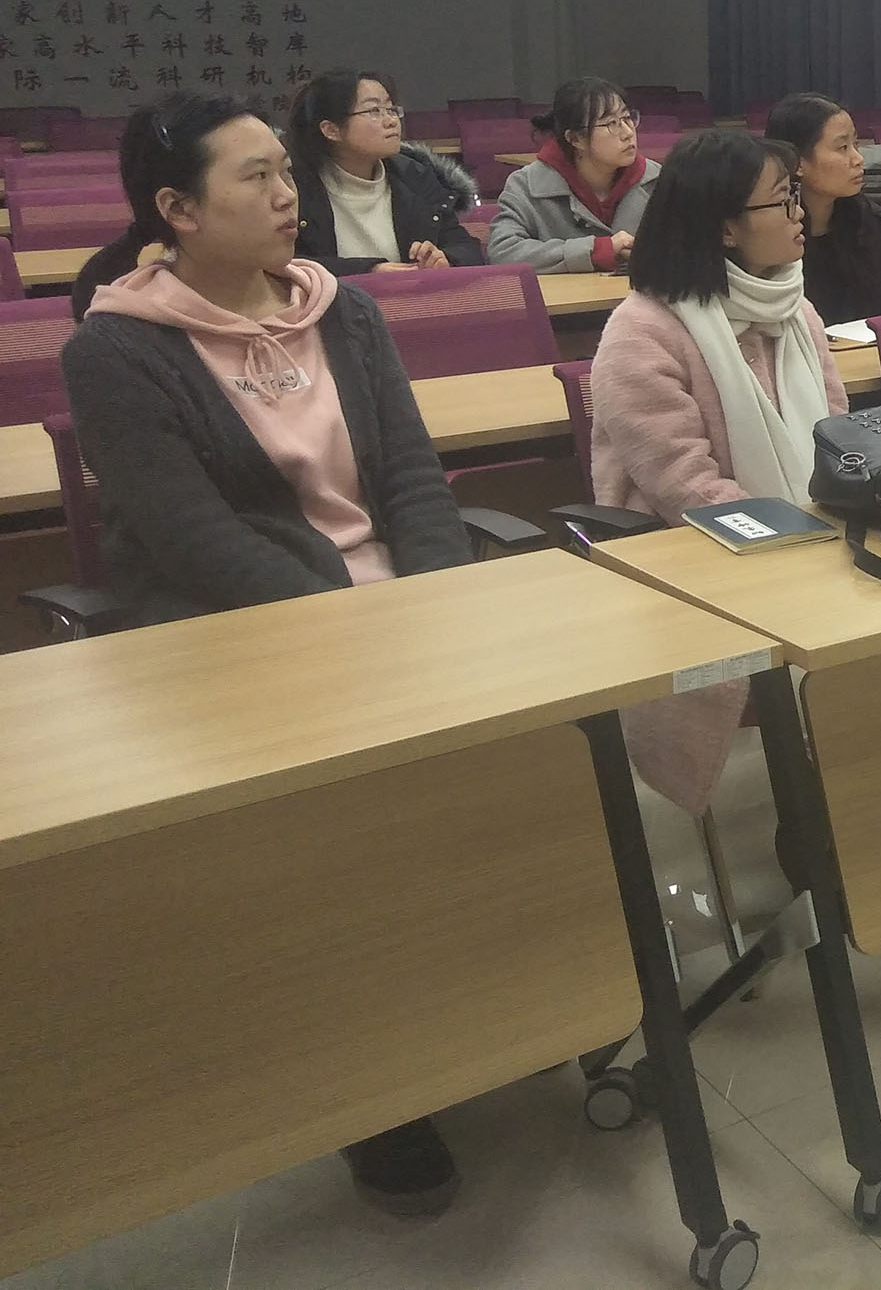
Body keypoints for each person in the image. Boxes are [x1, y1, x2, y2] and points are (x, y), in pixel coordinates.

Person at [61, 94, 476, 1220]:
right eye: (255, 177)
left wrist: (444, 611)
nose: (288, 193)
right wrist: (354, 639)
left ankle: (508, 999)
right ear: (178, 208)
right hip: (242, 635)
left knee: (525, 771)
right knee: (349, 844)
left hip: (392, 620)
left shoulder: (346, 313)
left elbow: (412, 479)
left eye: (287, 171)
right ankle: (376, 1085)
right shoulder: (116, 347)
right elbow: (192, 540)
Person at [588, 129, 850, 814]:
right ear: (726, 227)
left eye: (795, 195)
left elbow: (838, 439)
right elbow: (689, 490)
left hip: (806, 542)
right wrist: (808, 550)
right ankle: (815, 836)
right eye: (781, 200)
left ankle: (869, 803)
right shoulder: (642, 331)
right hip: (695, 568)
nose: (799, 213)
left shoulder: (795, 311)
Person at [285, 68, 485, 275]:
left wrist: (445, 258)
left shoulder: (416, 177)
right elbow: (284, 263)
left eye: (391, 109)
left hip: (414, 293)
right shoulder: (294, 188)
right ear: (331, 130)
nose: (392, 121)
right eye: (374, 111)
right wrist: (369, 271)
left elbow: (466, 248)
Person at [762, 93, 881, 327]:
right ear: (797, 162)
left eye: (856, 145)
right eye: (842, 147)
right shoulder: (769, 233)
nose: (858, 159)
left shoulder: (871, 221)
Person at [488, 77, 657, 272]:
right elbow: (503, 252)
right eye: (612, 123)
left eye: (627, 118)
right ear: (576, 139)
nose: (628, 133)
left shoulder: (658, 180)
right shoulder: (526, 185)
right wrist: (595, 251)